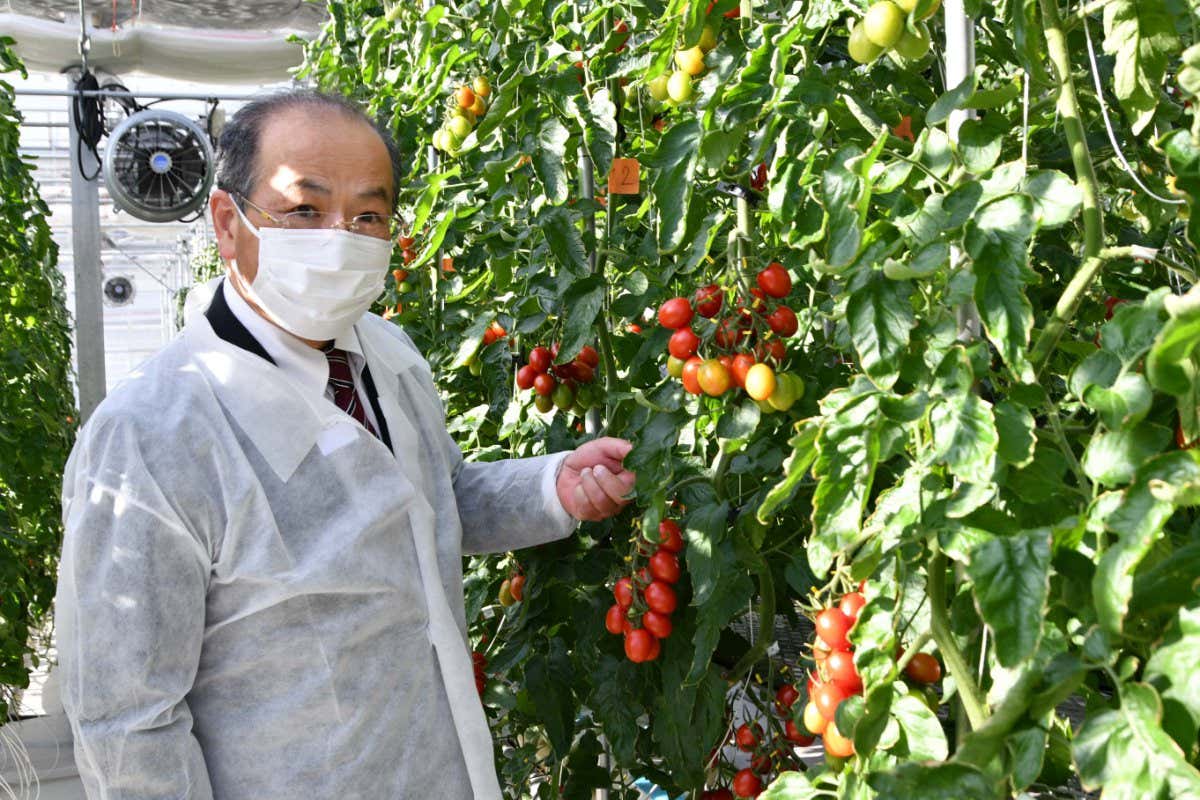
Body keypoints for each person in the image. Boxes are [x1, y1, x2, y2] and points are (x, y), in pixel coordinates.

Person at [54, 89, 637, 800]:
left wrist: (554, 488)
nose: (341, 236)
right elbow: (127, 720)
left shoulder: (384, 353)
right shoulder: (152, 435)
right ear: (226, 222)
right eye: (305, 209)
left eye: (368, 215)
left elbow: (431, 501)